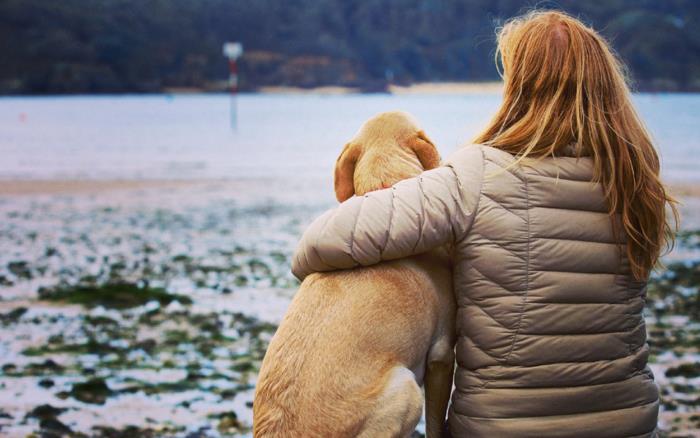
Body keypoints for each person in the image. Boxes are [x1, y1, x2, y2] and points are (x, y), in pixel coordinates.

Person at [291, 10, 678, 438]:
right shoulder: (636, 181)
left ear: (518, 88)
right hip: (629, 426)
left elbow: (318, 243)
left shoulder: (477, 176)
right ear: (607, 88)